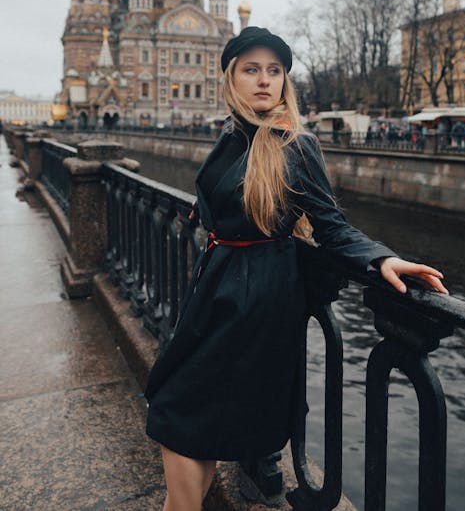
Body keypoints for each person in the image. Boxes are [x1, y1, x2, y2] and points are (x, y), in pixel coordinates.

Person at [144, 27, 448, 511]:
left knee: (175, 413)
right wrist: (208, 212)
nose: (264, 80)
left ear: (285, 80)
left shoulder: (292, 144)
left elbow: (332, 226)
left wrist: (383, 258)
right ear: (231, 78)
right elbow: (224, 195)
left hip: (253, 298)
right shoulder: (232, 134)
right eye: (251, 70)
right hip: (219, 287)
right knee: (187, 417)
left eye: (274, 71)